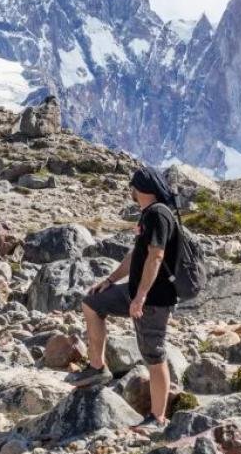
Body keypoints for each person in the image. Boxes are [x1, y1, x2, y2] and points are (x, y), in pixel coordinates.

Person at [66, 165, 180, 433]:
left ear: (141, 189)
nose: (130, 191)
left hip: (154, 299)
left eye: (133, 186)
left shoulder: (159, 214)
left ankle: (157, 418)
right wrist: (109, 281)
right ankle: (97, 367)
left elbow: (156, 256)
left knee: (154, 354)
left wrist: (141, 296)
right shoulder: (148, 214)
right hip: (134, 291)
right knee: (92, 303)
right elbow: (136, 255)